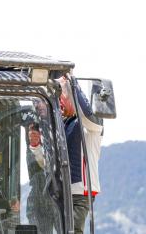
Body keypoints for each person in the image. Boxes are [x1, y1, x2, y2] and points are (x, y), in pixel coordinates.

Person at [58, 76, 104, 234]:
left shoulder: (92, 124)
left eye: (62, 97)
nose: (60, 103)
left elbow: (85, 112)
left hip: (80, 194)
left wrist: (71, 84)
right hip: (63, 192)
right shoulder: (61, 125)